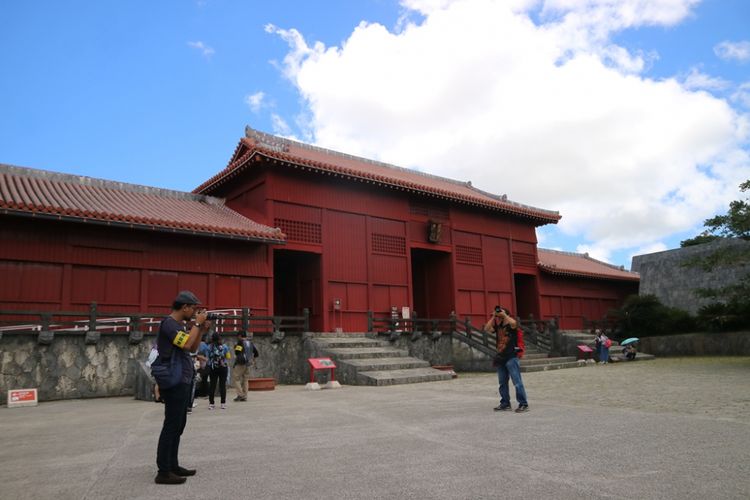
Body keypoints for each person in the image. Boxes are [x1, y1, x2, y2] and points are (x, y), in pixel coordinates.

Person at [154, 290, 209, 485]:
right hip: (173, 380)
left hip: (181, 379)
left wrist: (201, 329)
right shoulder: (169, 324)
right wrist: (196, 324)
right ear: (184, 307)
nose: (196, 312)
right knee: (171, 425)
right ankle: (163, 471)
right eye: (194, 308)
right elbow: (186, 344)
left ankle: (173, 465)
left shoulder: (178, 326)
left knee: (178, 425)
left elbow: (193, 348)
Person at [484, 305, 529, 413]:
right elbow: (486, 329)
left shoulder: (511, 326)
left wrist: (505, 315)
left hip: (511, 356)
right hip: (501, 357)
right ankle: (505, 403)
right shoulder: (498, 326)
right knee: (502, 383)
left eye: (501, 315)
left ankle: (523, 404)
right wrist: (493, 317)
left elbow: (514, 324)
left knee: (517, 382)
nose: (500, 316)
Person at [232, 331, 259, 402]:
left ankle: (240, 395)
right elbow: (256, 353)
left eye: (238, 336)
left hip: (240, 363)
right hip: (248, 363)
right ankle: (245, 396)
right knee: (245, 380)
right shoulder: (250, 343)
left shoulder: (240, 342)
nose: (237, 338)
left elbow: (237, 352)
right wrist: (253, 360)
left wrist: (235, 347)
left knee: (236, 378)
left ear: (240, 336)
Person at [207, 332, 231, 410]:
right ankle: (223, 403)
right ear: (220, 339)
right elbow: (228, 357)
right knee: (222, 385)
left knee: (212, 386)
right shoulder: (224, 347)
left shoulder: (209, 347)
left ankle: (211, 404)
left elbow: (207, 358)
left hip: (213, 368)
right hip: (223, 368)